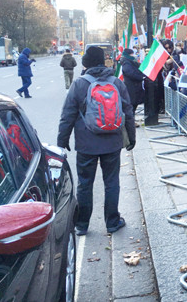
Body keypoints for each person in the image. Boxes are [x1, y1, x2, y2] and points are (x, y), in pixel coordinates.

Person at [57, 46, 136, 236]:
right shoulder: (117, 83)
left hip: (86, 143)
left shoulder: (79, 84)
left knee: (85, 183)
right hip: (112, 142)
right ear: (104, 62)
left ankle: (82, 224)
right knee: (111, 182)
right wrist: (131, 138)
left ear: (86, 63)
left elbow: (68, 115)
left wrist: (63, 139)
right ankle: (112, 222)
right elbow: (128, 113)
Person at [120, 48, 145, 114]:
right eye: (132, 54)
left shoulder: (130, 62)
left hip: (135, 86)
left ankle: (132, 120)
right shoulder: (126, 63)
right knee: (131, 105)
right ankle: (131, 121)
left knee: (134, 104)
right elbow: (131, 73)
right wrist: (141, 77)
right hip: (132, 87)